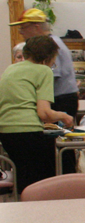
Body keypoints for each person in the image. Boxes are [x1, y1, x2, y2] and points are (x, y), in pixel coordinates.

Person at [0, 36, 74, 191]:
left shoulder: (11, 68)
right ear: (49, 57)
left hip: (6, 131)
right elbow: (44, 113)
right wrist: (64, 116)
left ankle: (23, 208)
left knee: (24, 175)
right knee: (43, 180)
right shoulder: (43, 70)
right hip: (28, 130)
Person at [10, 8, 79, 118]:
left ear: (36, 27)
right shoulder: (52, 41)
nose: (20, 31)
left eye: (23, 27)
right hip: (58, 98)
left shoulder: (49, 45)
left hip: (59, 100)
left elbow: (50, 75)